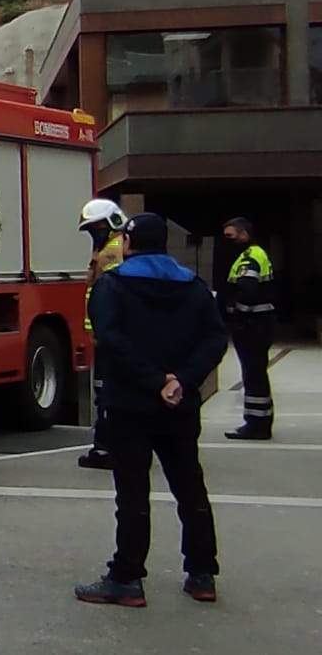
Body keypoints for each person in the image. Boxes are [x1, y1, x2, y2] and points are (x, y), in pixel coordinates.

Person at [76, 213, 226, 608]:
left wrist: (153, 380)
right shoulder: (193, 286)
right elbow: (214, 339)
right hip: (180, 405)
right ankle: (202, 573)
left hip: (130, 404)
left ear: (128, 241)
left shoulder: (113, 285)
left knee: (133, 493)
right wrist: (182, 380)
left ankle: (126, 578)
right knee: (189, 486)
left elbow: (111, 340)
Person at [78, 198, 129, 470]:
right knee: (107, 392)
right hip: (108, 336)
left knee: (107, 393)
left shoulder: (112, 252)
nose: (92, 234)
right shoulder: (112, 248)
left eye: (95, 228)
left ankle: (105, 449)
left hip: (109, 338)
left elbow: (108, 295)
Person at [220, 217, 276, 441]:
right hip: (260, 323)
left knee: (253, 375)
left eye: (230, 236)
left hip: (252, 325)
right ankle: (260, 420)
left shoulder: (250, 257)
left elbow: (247, 291)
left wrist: (234, 312)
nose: (227, 241)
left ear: (244, 234)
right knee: (257, 374)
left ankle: (257, 425)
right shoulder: (256, 254)